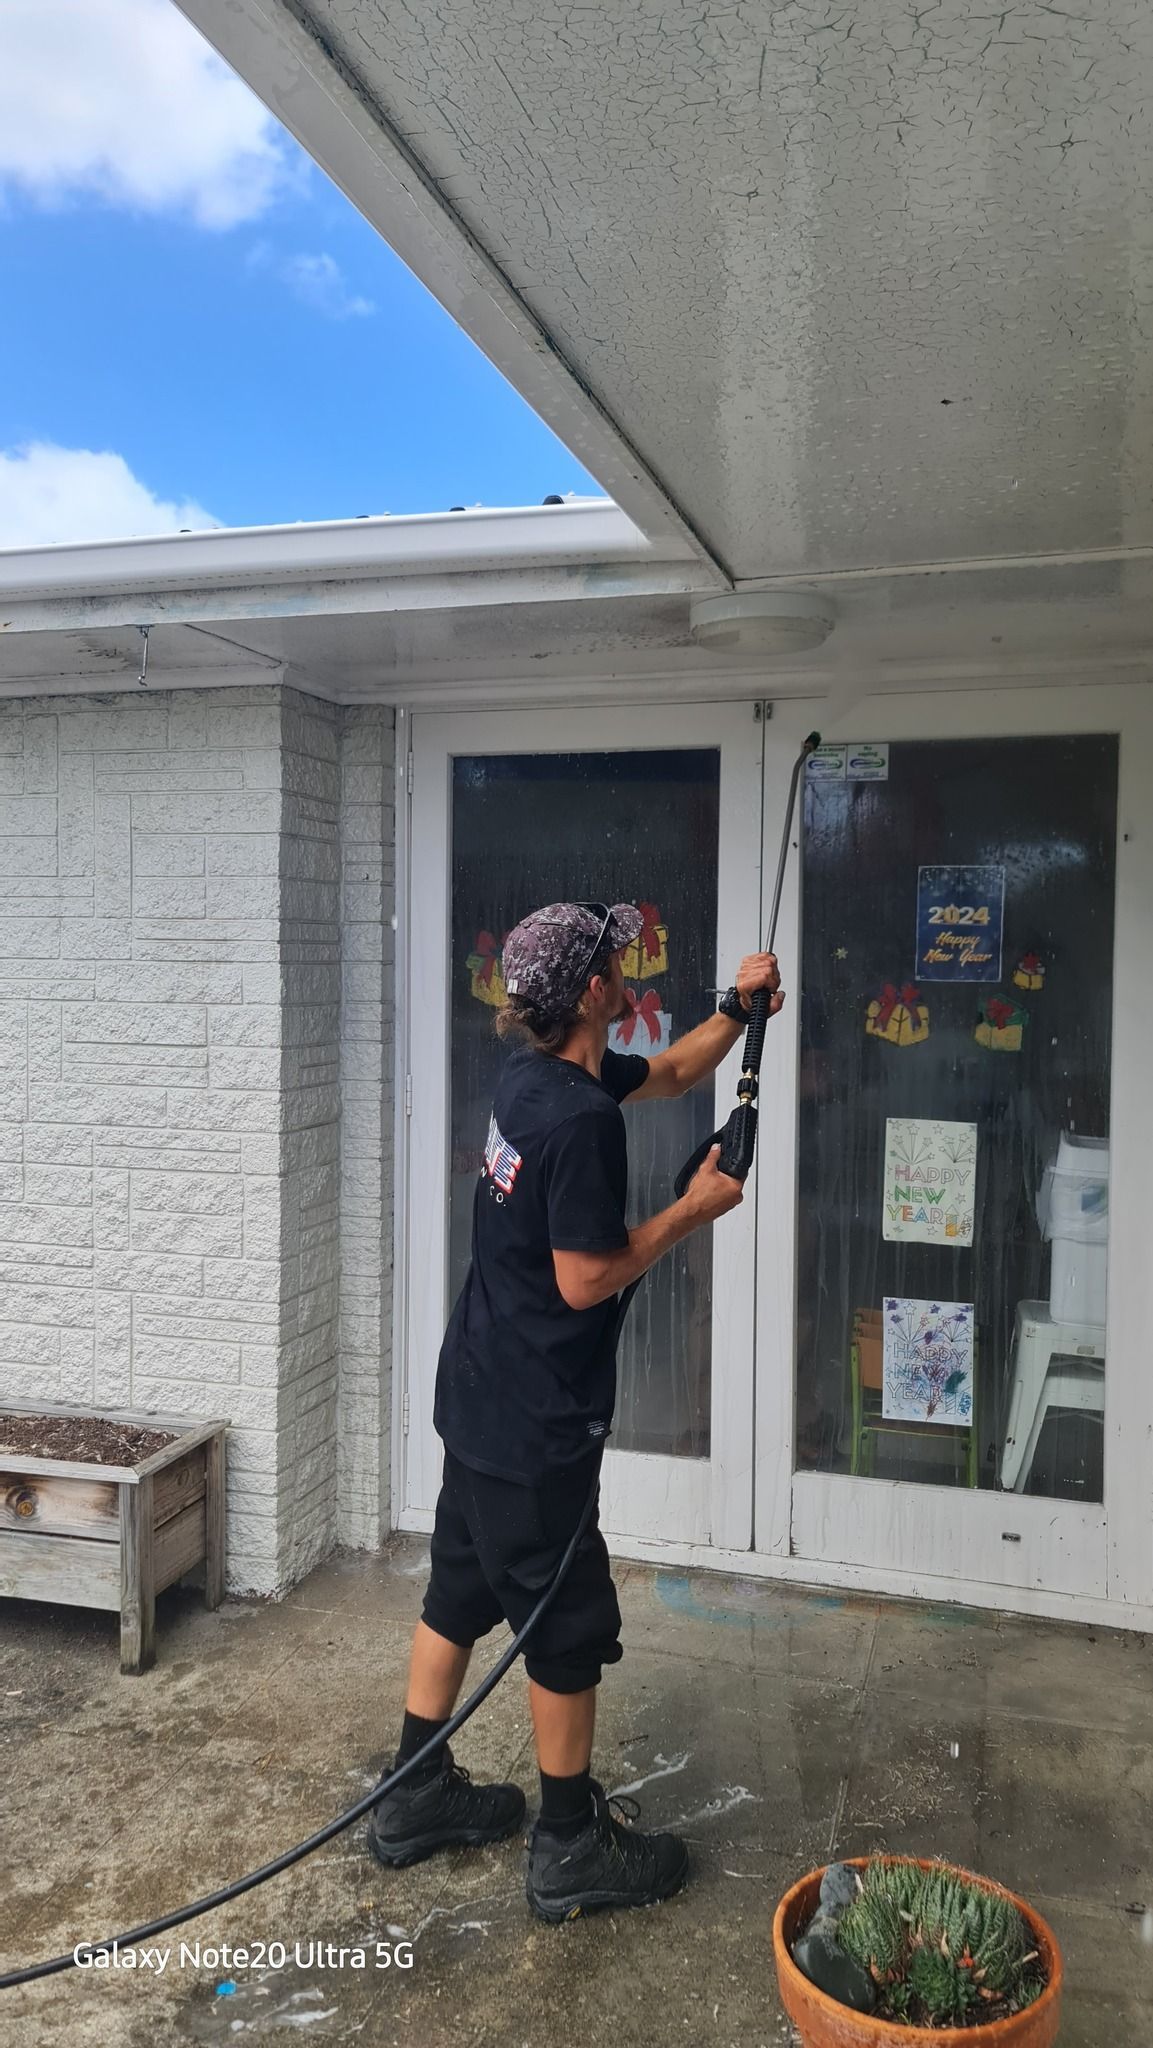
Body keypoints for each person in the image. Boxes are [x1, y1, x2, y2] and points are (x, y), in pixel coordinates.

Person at [369, 901, 783, 1920]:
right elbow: (587, 1277)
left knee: (459, 1585)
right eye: (613, 960)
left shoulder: (538, 1076)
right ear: (592, 992)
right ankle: (567, 1845)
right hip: (533, 1420)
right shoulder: (577, 1115)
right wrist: (695, 1208)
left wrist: (737, 1007)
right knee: (563, 1625)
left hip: (477, 1394)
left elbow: (678, 1071)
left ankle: (413, 1793)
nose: (624, 966)